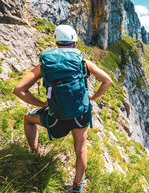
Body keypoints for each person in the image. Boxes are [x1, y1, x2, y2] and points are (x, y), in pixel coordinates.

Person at [13, 25, 112, 192]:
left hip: (56, 117)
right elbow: (107, 81)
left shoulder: (45, 63)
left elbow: (19, 90)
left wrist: (42, 104)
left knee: (28, 119)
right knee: (80, 148)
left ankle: (36, 155)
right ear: (74, 42)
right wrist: (93, 97)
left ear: (56, 41)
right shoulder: (83, 62)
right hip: (80, 114)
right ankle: (77, 186)